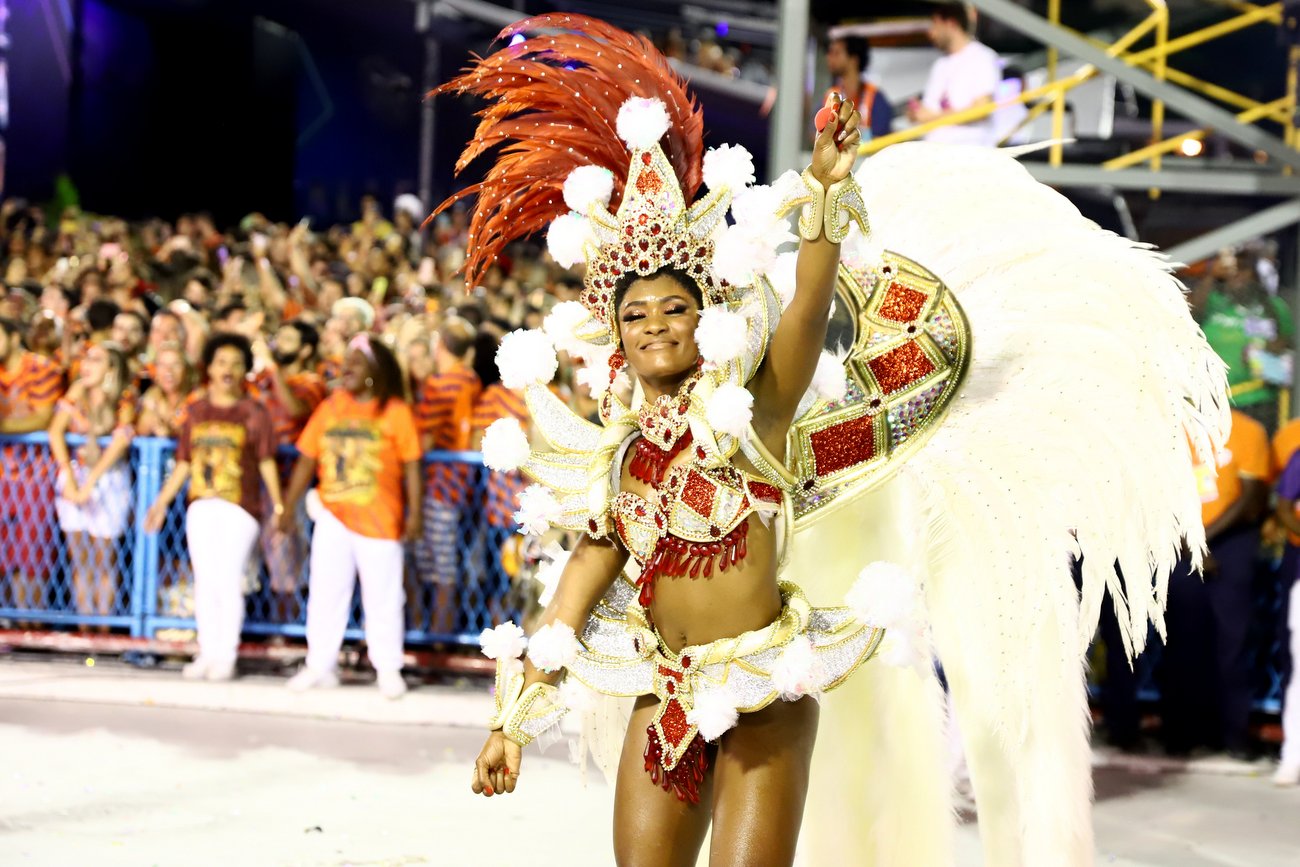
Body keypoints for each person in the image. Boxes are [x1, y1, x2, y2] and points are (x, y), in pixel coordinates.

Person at [434, 16, 1226, 867]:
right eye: (636, 313)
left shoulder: (755, 415)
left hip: (768, 691)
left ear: (706, 321)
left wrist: (820, 198)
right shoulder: (616, 469)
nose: (657, 325)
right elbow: (564, 612)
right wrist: (510, 722)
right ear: (614, 335)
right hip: (664, 695)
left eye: (675, 308)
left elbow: (809, 309)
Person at [280, 334, 422, 700]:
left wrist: (415, 514)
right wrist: (287, 506)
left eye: (356, 363)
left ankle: (388, 668)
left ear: (376, 371)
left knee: (384, 598)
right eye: (345, 362)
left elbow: (412, 468)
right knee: (326, 593)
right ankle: (319, 666)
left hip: (381, 519)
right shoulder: (331, 406)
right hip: (333, 516)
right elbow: (307, 459)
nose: (346, 369)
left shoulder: (395, 411)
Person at [144, 333, 283, 682]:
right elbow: (184, 461)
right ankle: (207, 651)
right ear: (209, 367)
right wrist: (161, 502)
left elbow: (266, 460)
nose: (228, 369)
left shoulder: (254, 411)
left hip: (240, 505)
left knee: (228, 578)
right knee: (205, 580)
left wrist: (279, 505)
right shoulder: (197, 410)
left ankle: (226, 654)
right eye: (222, 362)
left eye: (236, 364)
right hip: (201, 503)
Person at [1159, 409, 1269, 758]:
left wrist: (1205, 540)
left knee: (1231, 644)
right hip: (1179, 541)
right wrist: (1188, 540)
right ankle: (1180, 735)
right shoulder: (1170, 429)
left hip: (1231, 542)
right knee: (1181, 643)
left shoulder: (1248, 430)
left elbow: (1252, 499)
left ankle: (1233, 735)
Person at [49, 341, 135, 621]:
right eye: (86, 359)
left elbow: (121, 439)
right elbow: (55, 431)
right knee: (80, 560)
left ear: (111, 368)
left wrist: (89, 484)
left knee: (104, 560)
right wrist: (71, 480)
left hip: (108, 479)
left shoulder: (124, 397)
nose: (86, 365)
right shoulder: (77, 391)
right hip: (76, 474)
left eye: (96, 360)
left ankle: (103, 629)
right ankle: (85, 629)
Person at [249, 320, 326, 622]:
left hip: (291, 483)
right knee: (260, 559)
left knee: (288, 561)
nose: (280, 343)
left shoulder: (311, 382)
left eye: (289, 339)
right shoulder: (264, 379)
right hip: (257, 480)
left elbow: (295, 409)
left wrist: (274, 372)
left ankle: (288, 630)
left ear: (305, 349)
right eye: (278, 337)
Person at [413, 317, 481, 634]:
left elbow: (423, 439)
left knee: (433, 564)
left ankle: (435, 633)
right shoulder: (470, 379)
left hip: (438, 483)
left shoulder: (442, 384)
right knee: (439, 563)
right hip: (460, 482)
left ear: (439, 347)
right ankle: (436, 632)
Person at [0, 316, 64, 614]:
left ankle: (30, 622)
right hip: (2, 474)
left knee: (31, 554)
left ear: (14, 337)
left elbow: (43, 417)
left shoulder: (41, 368)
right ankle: (8, 621)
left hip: (33, 474)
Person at [907, 2, 1002, 146]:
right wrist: (917, 113)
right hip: (936, 155)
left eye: (935, 25)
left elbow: (982, 109)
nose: (931, 33)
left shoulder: (983, 57)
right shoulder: (940, 65)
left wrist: (931, 116)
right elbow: (929, 110)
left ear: (951, 23)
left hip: (969, 155)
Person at [825, 34, 893, 141]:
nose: (829, 57)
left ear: (854, 60)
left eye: (836, 53)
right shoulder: (830, 96)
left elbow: (881, 138)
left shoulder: (876, 98)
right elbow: (815, 134)